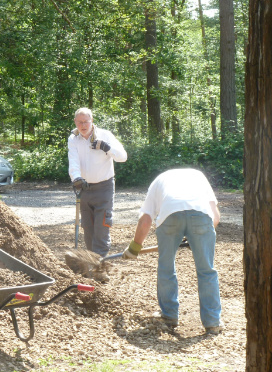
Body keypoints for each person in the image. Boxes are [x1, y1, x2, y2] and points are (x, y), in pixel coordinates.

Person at [122, 168, 222, 334]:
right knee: (207, 271)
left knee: (166, 267)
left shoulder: (158, 182)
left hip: (170, 216)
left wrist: (135, 247)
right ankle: (212, 322)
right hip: (201, 217)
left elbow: (145, 221)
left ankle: (169, 316)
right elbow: (215, 217)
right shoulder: (199, 176)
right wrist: (197, 238)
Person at [68, 107, 127, 256]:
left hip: (104, 187)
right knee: (88, 227)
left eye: (85, 122)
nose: (83, 125)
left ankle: (100, 265)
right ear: (75, 122)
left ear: (92, 121)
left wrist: (106, 148)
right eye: (79, 122)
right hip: (84, 187)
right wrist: (76, 178)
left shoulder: (105, 135)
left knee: (102, 226)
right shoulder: (73, 139)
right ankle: (91, 262)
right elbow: (73, 162)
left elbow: (122, 156)